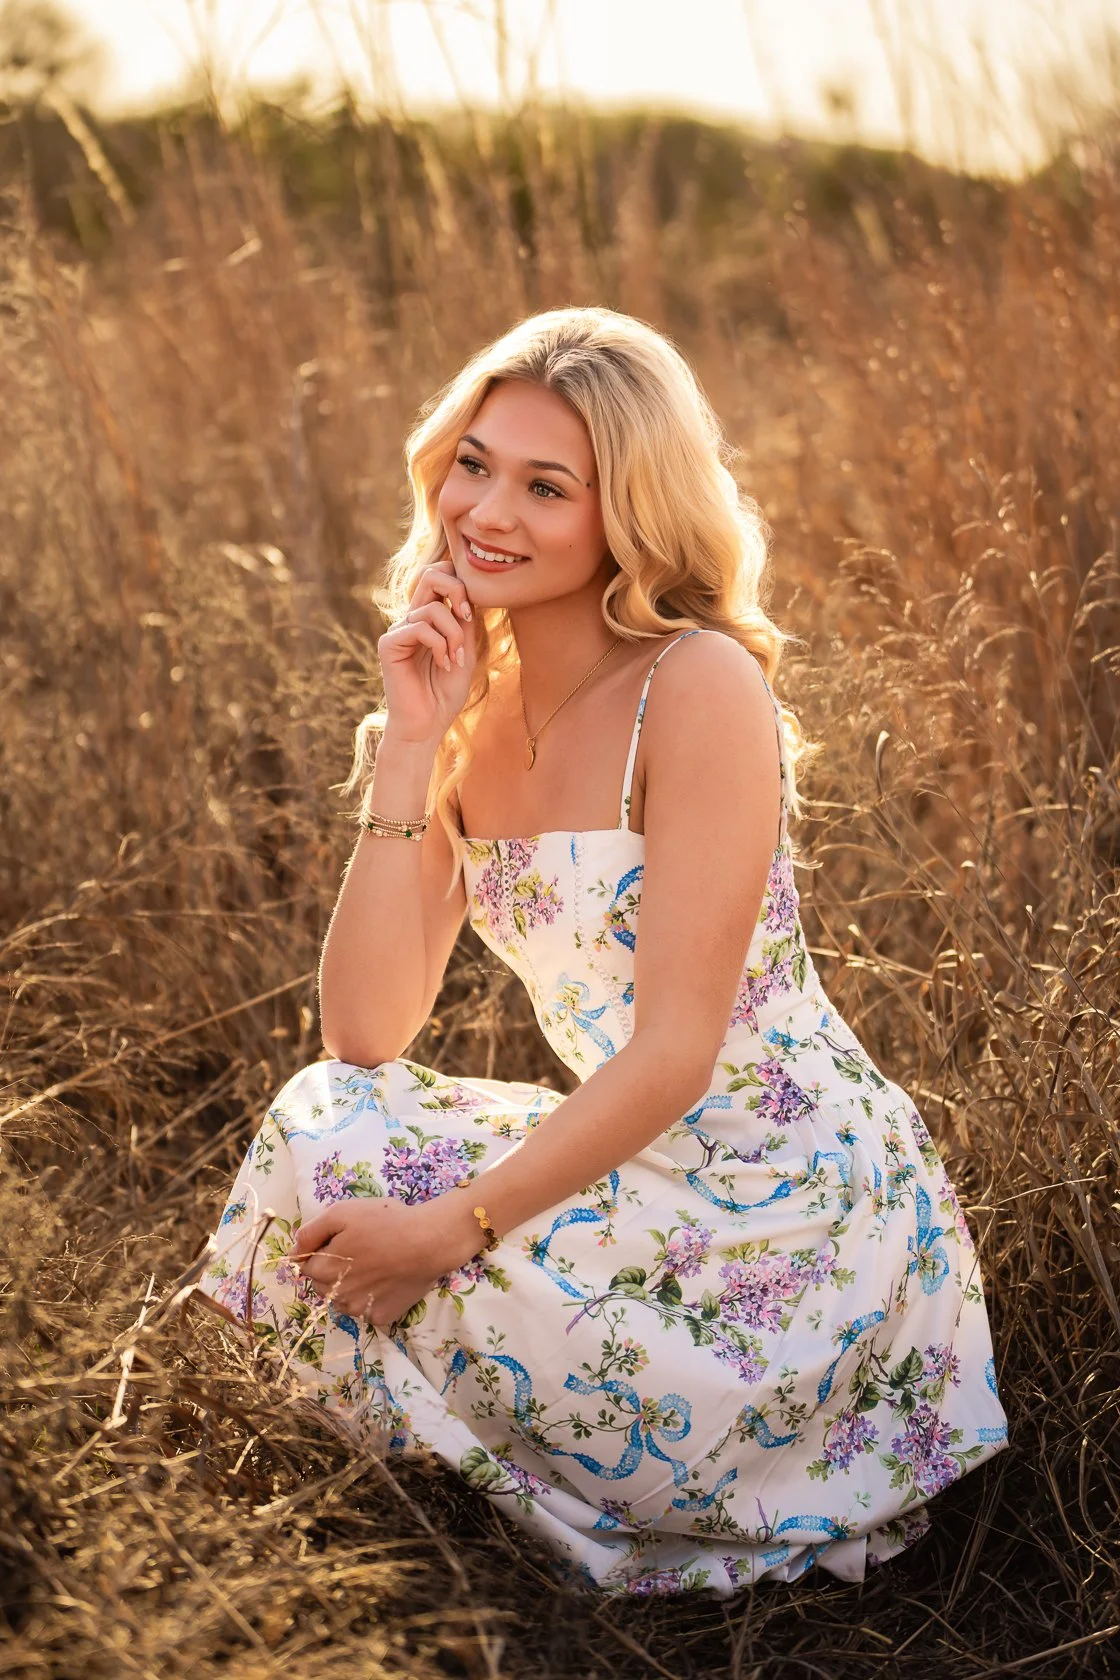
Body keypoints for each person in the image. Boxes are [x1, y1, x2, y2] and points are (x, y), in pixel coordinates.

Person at [196, 306, 1008, 1599]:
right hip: (626, 1153)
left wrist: (442, 1233)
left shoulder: (696, 686)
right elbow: (364, 1037)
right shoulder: (462, 703)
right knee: (323, 1122)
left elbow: (678, 1053)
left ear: (626, 510)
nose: (488, 511)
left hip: (791, 1200)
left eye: (546, 485)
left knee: (409, 1241)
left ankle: (585, 1476)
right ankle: (461, 1471)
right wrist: (410, 747)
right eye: (474, 463)